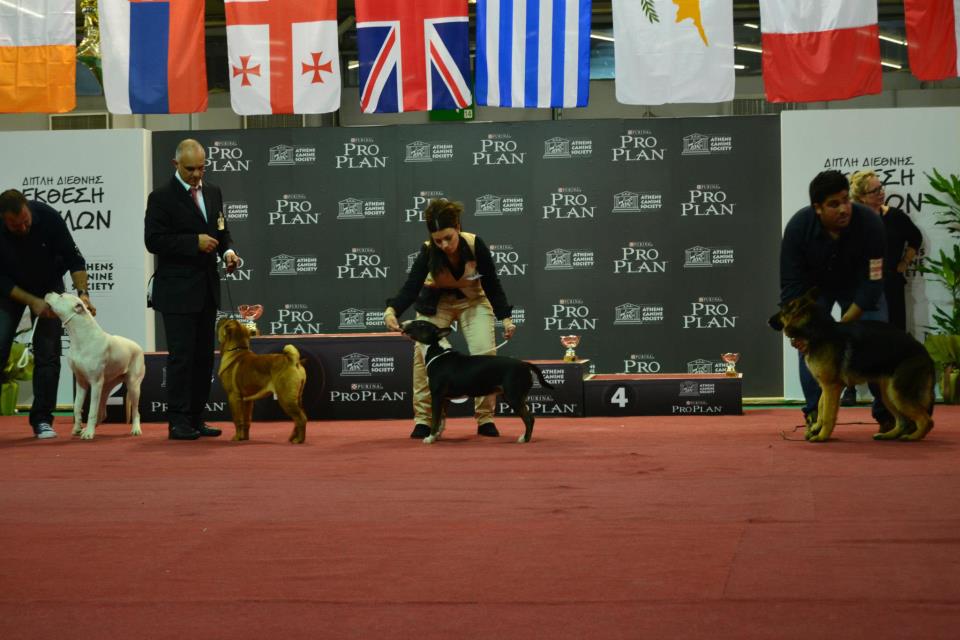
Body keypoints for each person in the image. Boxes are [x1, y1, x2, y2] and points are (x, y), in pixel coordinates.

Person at [383, 198, 517, 439]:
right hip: (436, 304)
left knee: (484, 353)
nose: (444, 245)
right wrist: (392, 310)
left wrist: (505, 317)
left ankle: (485, 418)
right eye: (438, 240)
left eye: (448, 238)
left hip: (473, 301)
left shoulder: (475, 244)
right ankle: (425, 421)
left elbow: (492, 284)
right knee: (422, 360)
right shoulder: (428, 250)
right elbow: (412, 286)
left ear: (457, 227)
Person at [779, 170, 893, 430]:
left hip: (860, 287)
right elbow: (792, 286)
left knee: (878, 341)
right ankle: (815, 413)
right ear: (817, 208)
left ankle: (886, 414)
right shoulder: (798, 227)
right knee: (811, 344)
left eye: (845, 200)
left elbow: (874, 279)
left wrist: (847, 321)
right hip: (815, 289)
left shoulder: (871, 223)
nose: (843, 209)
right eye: (833, 204)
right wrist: (797, 329)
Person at [145, 138, 240, 440]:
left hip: (207, 289)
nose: (197, 174)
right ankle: (178, 421)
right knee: (181, 358)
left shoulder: (213, 191)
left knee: (203, 358)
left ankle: (197, 418)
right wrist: (193, 242)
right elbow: (153, 240)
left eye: (201, 168)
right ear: (175, 165)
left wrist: (228, 252)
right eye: (190, 169)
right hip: (176, 291)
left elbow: (221, 230)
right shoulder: (161, 197)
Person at [0, 189, 95, 439]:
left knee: (49, 351)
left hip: (49, 286)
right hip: (9, 290)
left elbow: (75, 259)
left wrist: (83, 294)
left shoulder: (49, 217)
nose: (23, 228)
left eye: (26, 222)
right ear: (3, 220)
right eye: (15, 226)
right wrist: (32, 301)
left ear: (28, 209)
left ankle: (42, 419)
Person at [849, 170, 923, 331]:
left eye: (881, 187)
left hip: (891, 285)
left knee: (895, 333)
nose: (881, 192)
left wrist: (905, 261)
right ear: (861, 197)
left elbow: (916, 238)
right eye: (875, 190)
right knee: (863, 334)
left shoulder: (895, 216)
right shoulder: (852, 220)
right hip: (861, 287)